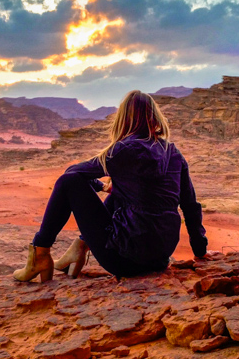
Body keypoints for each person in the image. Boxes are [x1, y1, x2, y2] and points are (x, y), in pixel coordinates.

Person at [13, 90, 207, 282]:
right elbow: (190, 206)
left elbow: (72, 173)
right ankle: (79, 248)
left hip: (124, 260)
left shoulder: (123, 150)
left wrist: (100, 185)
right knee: (120, 193)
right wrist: (200, 251)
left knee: (67, 182)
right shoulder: (174, 153)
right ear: (155, 118)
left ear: (123, 119)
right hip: (159, 259)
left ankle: (40, 254)